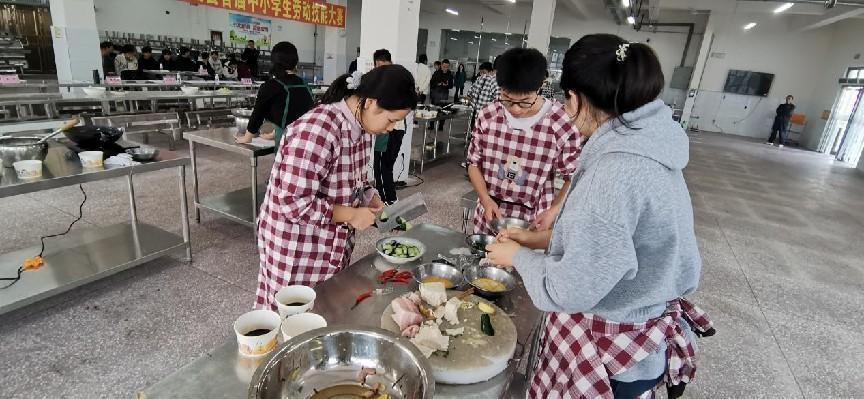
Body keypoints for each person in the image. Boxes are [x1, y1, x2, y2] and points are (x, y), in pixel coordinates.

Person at [485, 34, 714, 399]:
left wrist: (517, 257)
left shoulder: (615, 172)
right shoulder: (651, 144)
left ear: (575, 98)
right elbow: (619, 240)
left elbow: (568, 289)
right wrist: (537, 240)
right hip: (640, 331)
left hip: (613, 354)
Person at [255, 64, 418, 310]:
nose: (392, 128)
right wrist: (352, 215)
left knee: (323, 307)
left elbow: (358, 181)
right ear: (370, 102)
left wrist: (372, 201)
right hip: (295, 246)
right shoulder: (318, 129)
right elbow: (292, 203)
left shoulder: (362, 128)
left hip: (328, 242)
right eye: (392, 120)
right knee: (291, 315)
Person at [466, 48, 580, 234]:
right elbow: (473, 163)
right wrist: (485, 199)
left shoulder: (560, 121)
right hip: (490, 212)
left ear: (541, 85)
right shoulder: (488, 115)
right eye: (508, 100)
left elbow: (573, 176)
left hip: (534, 219)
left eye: (525, 101)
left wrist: (553, 210)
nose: (516, 110)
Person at [237, 42, 315, 146]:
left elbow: (257, 114)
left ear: (274, 62)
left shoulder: (270, 86)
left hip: (287, 145)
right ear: (295, 61)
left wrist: (247, 137)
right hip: (309, 141)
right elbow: (295, 114)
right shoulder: (305, 85)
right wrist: (274, 133)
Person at [370, 49, 406, 205]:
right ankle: (385, 198)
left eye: (379, 65)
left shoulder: (393, 79)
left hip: (390, 129)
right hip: (390, 128)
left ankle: (389, 200)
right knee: (382, 166)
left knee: (383, 167)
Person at [429, 59, 454, 131]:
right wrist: (438, 84)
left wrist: (447, 85)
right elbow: (431, 83)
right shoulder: (436, 73)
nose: (445, 68)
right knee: (434, 109)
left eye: (447, 67)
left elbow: (451, 86)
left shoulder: (450, 75)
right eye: (444, 66)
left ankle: (441, 126)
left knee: (443, 111)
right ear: (441, 66)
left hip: (444, 95)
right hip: (436, 94)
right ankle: (431, 125)